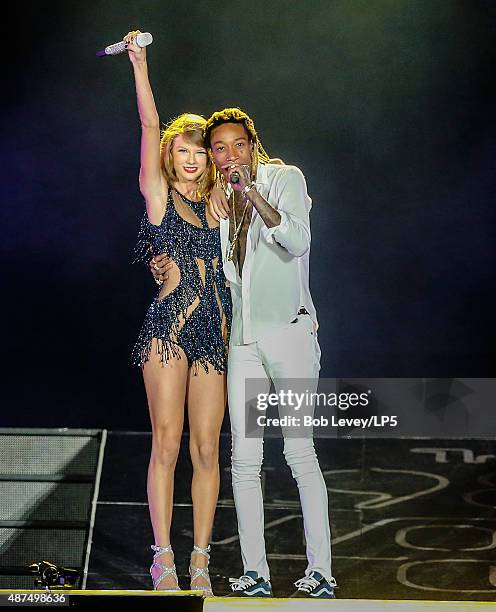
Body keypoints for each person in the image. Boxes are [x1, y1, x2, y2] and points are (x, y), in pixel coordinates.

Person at [153, 108, 336, 598]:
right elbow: (211, 263)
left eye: (238, 144)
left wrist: (250, 192)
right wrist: (164, 265)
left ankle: (321, 572)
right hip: (244, 343)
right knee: (244, 461)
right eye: (220, 148)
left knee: (299, 452)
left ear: (254, 144)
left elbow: (296, 241)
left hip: (291, 336)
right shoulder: (219, 201)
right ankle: (256, 571)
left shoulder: (283, 178)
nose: (229, 155)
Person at [123, 31, 231, 596]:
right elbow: (147, 126)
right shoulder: (159, 198)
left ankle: (200, 560)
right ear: (171, 155)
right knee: (166, 444)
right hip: (169, 332)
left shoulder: (219, 205)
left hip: (214, 336)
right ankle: (162, 557)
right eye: (183, 149)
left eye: (199, 150)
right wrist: (140, 66)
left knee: (208, 449)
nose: (191, 158)